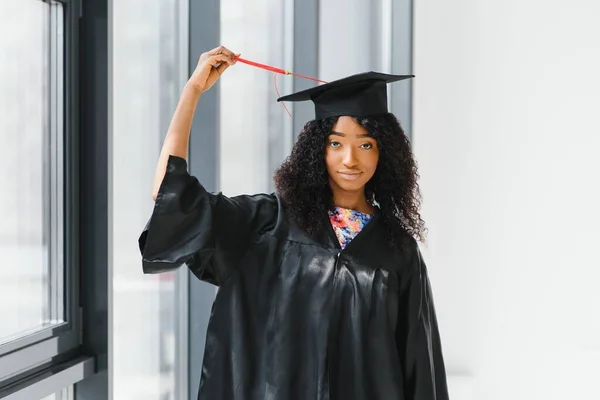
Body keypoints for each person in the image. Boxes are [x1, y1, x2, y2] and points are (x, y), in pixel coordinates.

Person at [139, 45, 450, 400]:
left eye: (366, 145)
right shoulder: (266, 224)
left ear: (386, 154)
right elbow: (170, 193)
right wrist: (191, 92)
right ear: (318, 150)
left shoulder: (398, 251)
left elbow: (420, 371)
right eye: (336, 143)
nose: (350, 159)